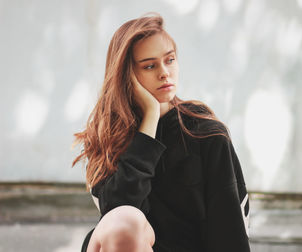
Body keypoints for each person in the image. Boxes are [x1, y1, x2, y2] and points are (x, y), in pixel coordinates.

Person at [72, 12, 250, 252]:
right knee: (124, 221)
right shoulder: (109, 136)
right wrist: (150, 120)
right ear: (127, 76)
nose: (164, 72)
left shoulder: (206, 134)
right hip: (123, 244)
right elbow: (116, 211)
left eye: (170, 60)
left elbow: (229, 230)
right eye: (149, 65)